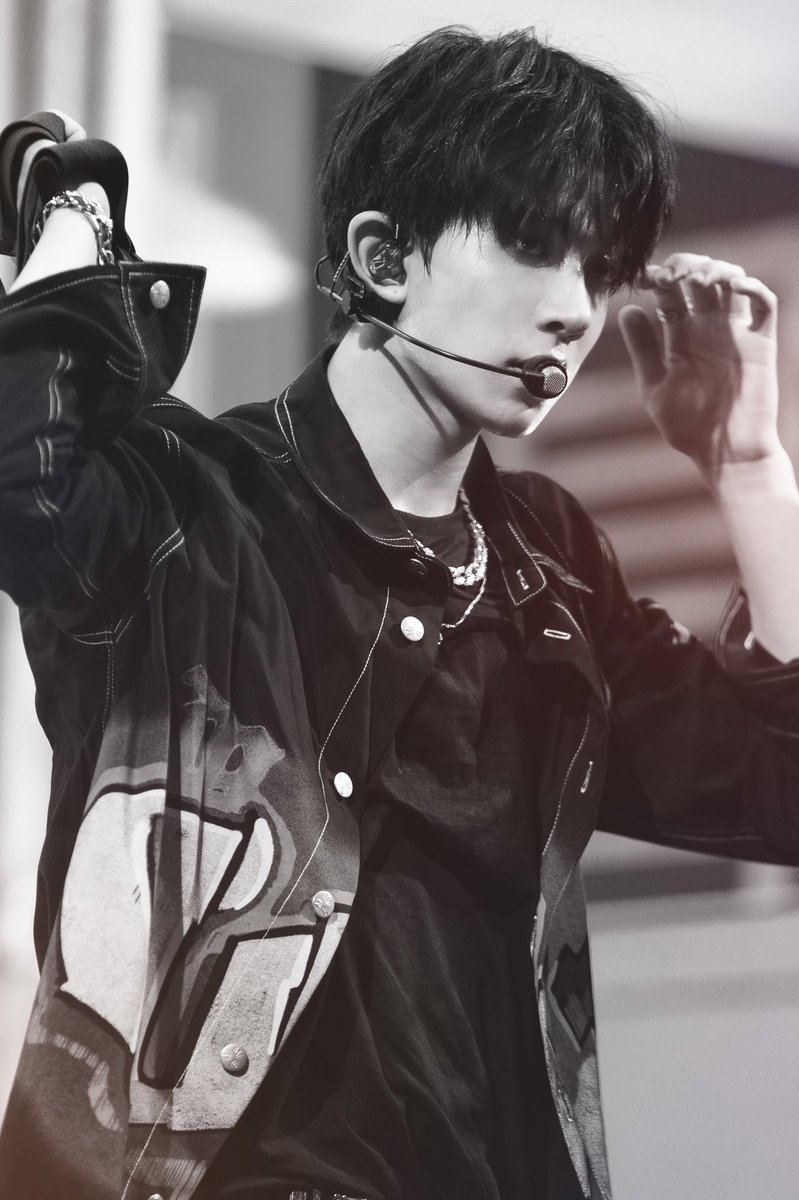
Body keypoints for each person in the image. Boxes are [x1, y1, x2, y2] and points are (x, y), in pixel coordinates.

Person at [0, 25, 798, 1200]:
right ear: (382, 256)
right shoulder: (187, 505)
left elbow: (779, 791)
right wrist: (72, 223)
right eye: (534, 244)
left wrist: (749, 470)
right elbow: (20, 476)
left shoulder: (547, 569)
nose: (574, 310)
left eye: (598, 268)